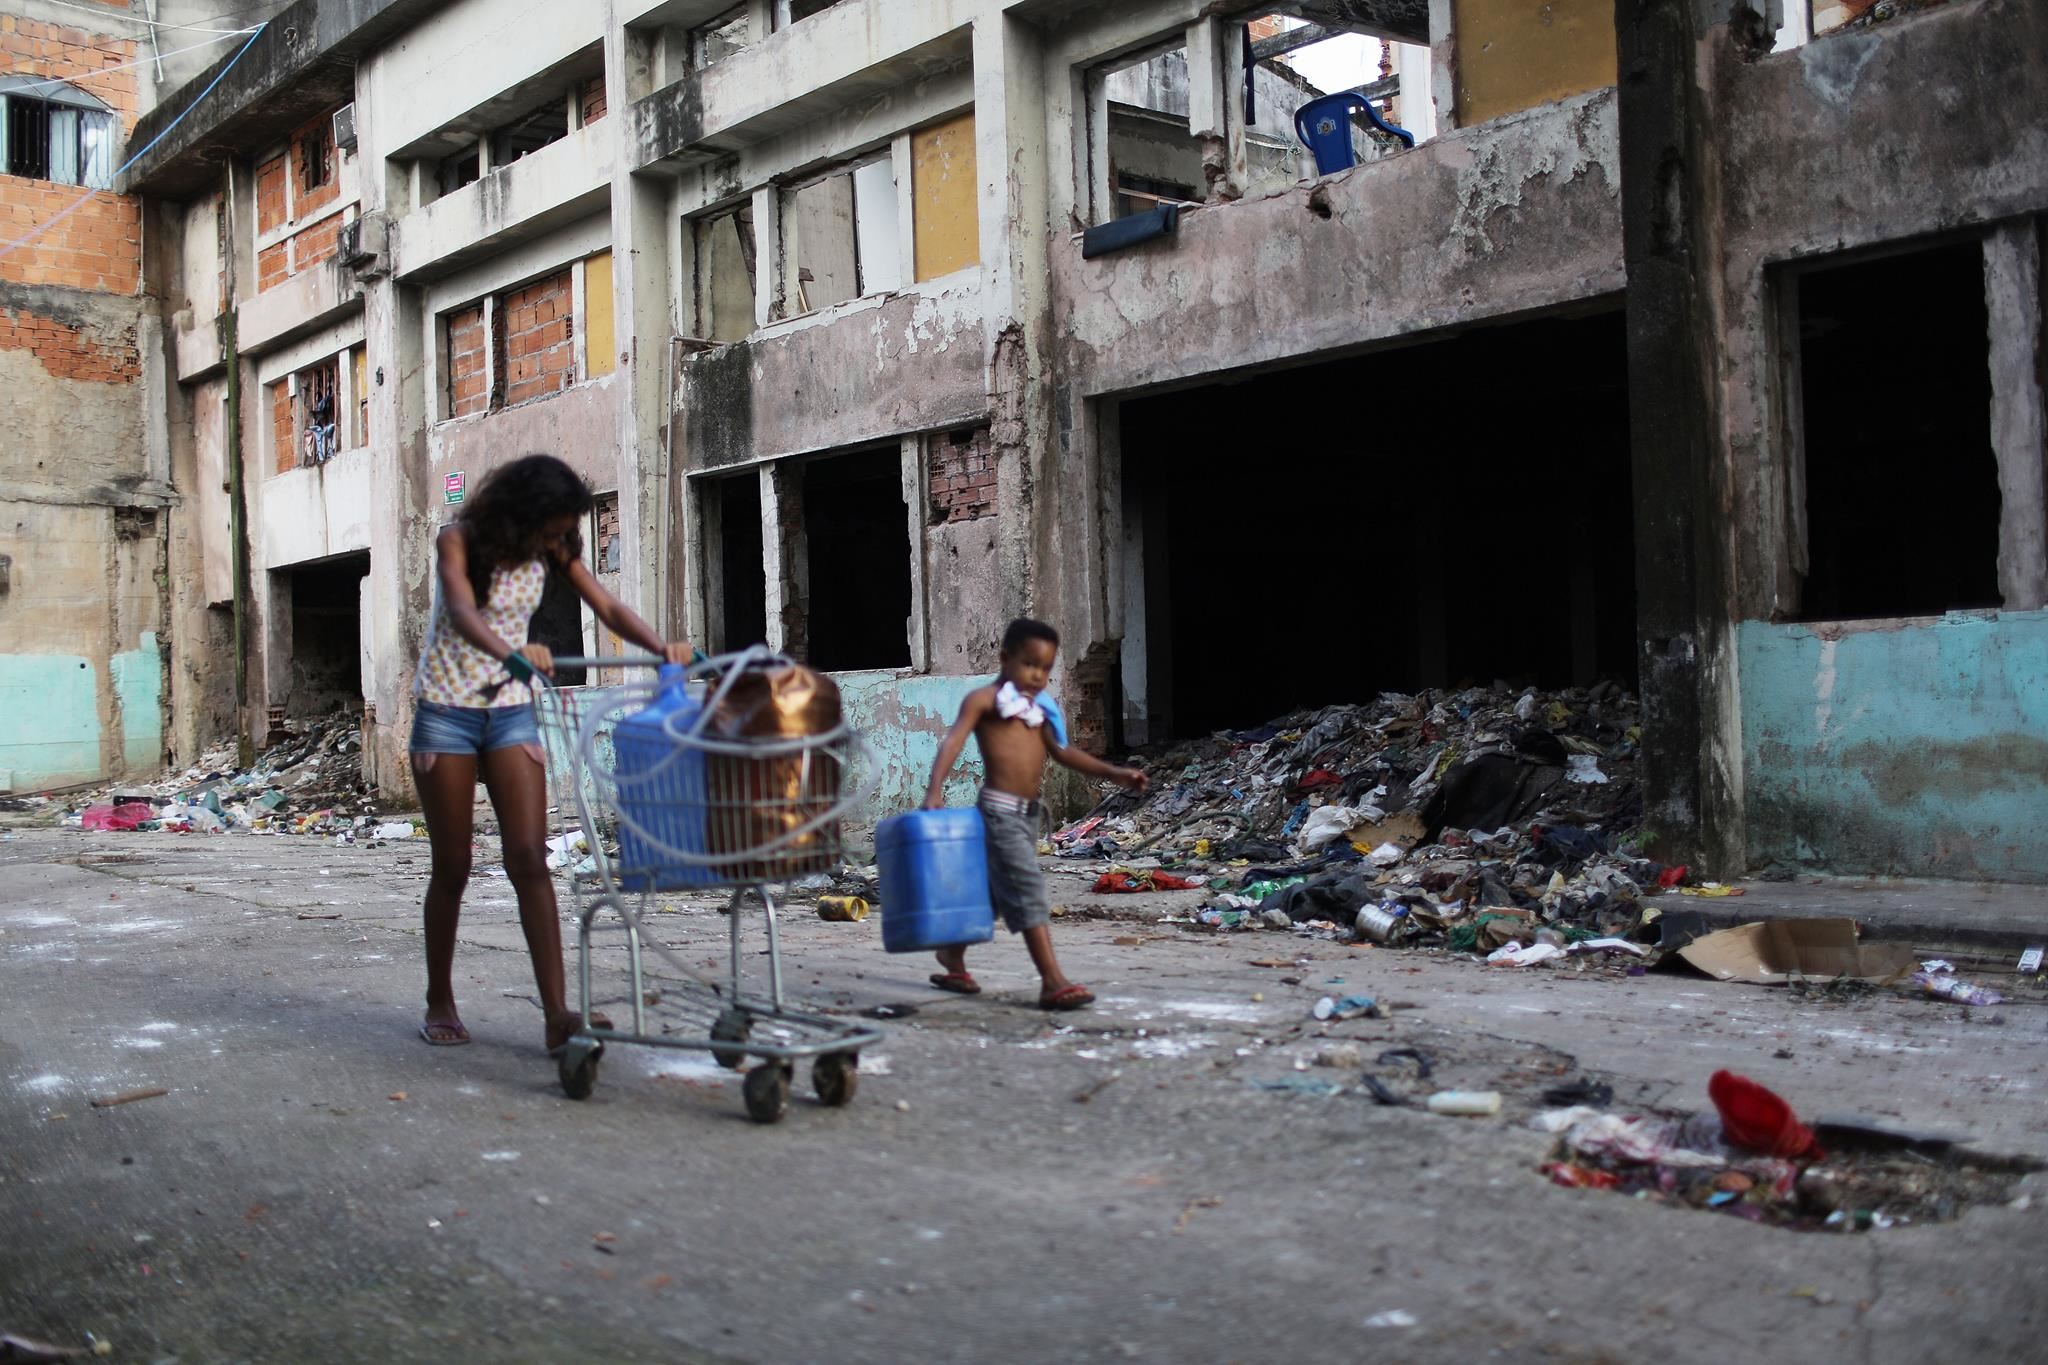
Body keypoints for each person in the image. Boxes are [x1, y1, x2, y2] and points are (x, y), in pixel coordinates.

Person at [410, 453, 690, 1052]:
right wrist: (516, 651)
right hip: (448, 712)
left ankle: (558, 1012)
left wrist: (662, 646)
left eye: (567, 529)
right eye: (555, 525)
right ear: (523, 512)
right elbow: (461, 612)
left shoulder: (553, 552)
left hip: (509, 711)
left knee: (530, 860)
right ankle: (440, 996)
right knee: (454, 867)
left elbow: (607, 607)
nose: (562, 538)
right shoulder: (456, 541)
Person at [920, 617, 1147, 1010]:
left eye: (1045, 668)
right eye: (1029, 664)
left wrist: (1115, 772)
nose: (1038, 675)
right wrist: (935, 789)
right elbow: (952, 743)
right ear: (1006, 658)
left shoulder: (1038, 709)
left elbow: (1063, 752)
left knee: (993, 893)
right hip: (998, 813)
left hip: (1027, 816)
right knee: (1026, 887)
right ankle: (1052, 981)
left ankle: (952, 957)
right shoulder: (983, 701)